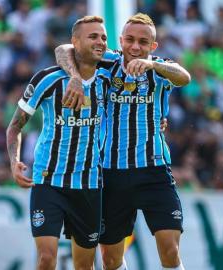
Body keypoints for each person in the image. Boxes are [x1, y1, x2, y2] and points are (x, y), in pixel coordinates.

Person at [55, 13, 191, 270]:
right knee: (110, 259)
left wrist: (152, 65)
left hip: (154, 172)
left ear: (153, 46)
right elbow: (63, 49)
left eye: (143, 41)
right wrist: (74, 75)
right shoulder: (107, 62)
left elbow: (184, 77)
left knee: (170, 251)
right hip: (110, 174)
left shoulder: (160, 69)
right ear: (121, 40)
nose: (135, 47)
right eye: (130, 39)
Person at [6, 16, 110, 270]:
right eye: (93, 36)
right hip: (49, 181)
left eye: (104, 37)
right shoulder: (47, 80)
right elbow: (15, 125)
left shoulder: (109, 78)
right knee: (46, 258)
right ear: (75, 41)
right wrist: (14, 161)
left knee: (85, 265)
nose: (100, 42)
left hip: (88, 184)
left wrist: (160, 119)